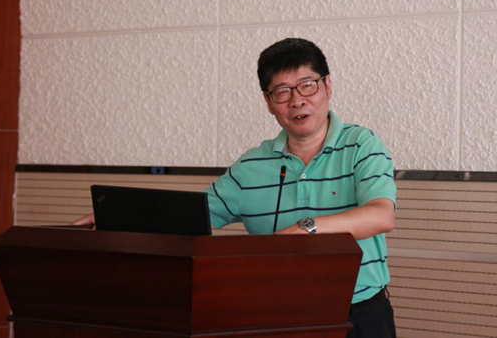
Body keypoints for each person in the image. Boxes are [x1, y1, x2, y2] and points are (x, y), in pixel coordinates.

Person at [74, 38, 397, 337]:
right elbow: (190, 217)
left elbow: (381, 215)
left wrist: (305, 228)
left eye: (307, 85)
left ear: (328, 85)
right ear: (268, 102)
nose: (297, 100)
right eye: (282, 92)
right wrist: (117, 217)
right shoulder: (251, 166)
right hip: (277, 316)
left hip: (359, 314)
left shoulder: (362, 145)